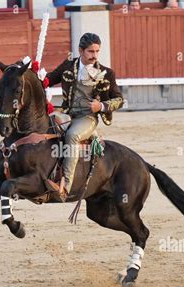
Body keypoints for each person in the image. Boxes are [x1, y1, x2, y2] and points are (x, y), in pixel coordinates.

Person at [44, 33, 124, 202]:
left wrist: (100, 106)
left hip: (87, 118)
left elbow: (119, 100)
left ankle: (65, 186)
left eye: (97, 51)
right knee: (45, 124)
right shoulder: (68, 65)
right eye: (90, 51)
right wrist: (36, 75)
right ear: (80, 50)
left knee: (72, 136)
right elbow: (48, 80)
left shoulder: (106, 73)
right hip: (66, 113)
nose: (94, 55)